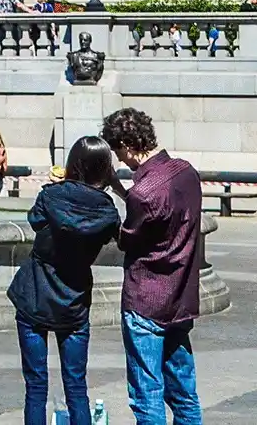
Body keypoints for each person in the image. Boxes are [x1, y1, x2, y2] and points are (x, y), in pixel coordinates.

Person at [7, 135, 122, 425]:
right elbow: (124, 237)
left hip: (34, 295)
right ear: (105, 169)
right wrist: (119, 188)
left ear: (73, 163)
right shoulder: (107, 210)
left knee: (35, 387)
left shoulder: (50, 195)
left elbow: (35, 221)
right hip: (74, 301)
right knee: (76, 387)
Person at [101, 107, 203, 424]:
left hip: (146, 300)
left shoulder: (144, 193)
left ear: (128, 145)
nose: (121, 160)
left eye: (119, 152)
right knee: (185, 394)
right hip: (180, 298)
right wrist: (120, 189)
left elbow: (128, 239)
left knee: (147, 396)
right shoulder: (187, 172)